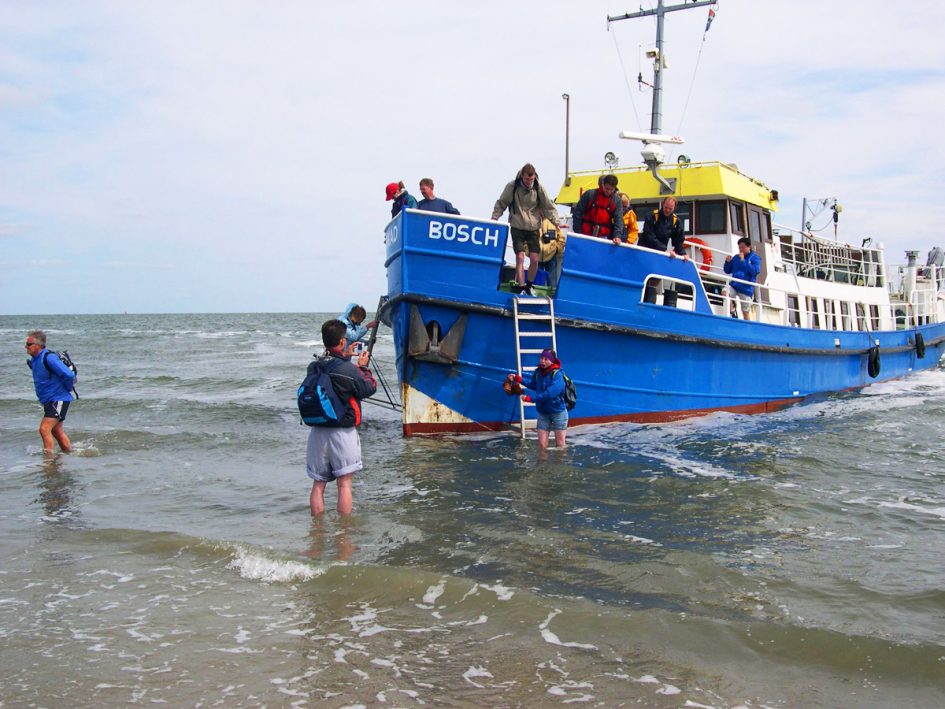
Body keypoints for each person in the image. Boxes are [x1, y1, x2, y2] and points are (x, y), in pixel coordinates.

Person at [305, 319, 377, 515]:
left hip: (317, 431)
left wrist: (344, 357)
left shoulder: (314, 366)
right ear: (343, 341)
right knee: (344, 485)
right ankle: (344, 534)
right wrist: (362, 367)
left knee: (318, 485)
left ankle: (317, 531)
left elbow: (332, 370)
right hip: (342, 432)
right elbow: (368, 388)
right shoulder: (348, 369)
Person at [492, 163, 561, 295]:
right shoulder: (512, 186)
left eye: (531, 179)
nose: (529, 182)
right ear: (521, 177)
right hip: (517, 226)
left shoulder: (538, 187)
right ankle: (521, 286)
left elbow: (548, 207)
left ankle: (529, 285)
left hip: (533, 228)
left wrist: (556, 223)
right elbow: (502, 203)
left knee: (535, 259)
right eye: (526, 180)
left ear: (534, 177)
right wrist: (495, 218)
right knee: (520, 257)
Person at [506, 348, 568, 449]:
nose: (542, 361)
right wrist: (519, 379)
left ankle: (560, 463)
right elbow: (534, 385)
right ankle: (544, 464)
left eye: (546, 359)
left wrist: (531, 399)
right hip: (543, 412)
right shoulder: (538, 372)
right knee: (542, 445)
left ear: (552, 361)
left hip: (558, 413)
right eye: (541, 358)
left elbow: (548, 394)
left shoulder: (558, 375)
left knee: (560, 445)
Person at [25, 330, 75, 454]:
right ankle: (69, 453)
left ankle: (49, 462)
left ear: (38, 345)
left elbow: (68, 375)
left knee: (44, 429)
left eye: (29, 344)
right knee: (56, 431)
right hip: (49, 400)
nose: (26, 346)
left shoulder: (49, 357)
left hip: (58, 398)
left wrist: (68, 388)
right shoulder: (35, 359)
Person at [571, 174, 625, 245]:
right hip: (585, 235)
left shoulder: (616, 200)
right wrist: (578, 232)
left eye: (611, 190)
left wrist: (617, 236)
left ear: (615, 188)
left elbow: (619, 220)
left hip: (603, 238)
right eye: (607, 188)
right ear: (603, 185)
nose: (608, 191)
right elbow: (577, 213)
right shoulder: (589, 194)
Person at [723, 237, 762, 320]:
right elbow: (727, 270)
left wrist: (743, 261)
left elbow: (755, 271)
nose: (741, 249)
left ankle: (747, 328)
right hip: (735, 285)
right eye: (739, 247)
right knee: (724, 291)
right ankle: (732, 310)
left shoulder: (755, 258)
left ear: (749, 247)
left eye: (743, 247)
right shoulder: (736, 258)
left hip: (746, 288)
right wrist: (728, 262)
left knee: (745, 311)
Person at [537, 217, 566, 292]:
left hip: (551, 258)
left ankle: (552, 300)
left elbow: (562, 239)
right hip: (536, 258)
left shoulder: (554, 223)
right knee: (535, 285)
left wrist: (556, 250)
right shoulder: (533, 221)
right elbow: (526, 239)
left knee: (552, 285)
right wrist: (529, 252)